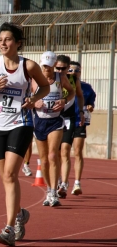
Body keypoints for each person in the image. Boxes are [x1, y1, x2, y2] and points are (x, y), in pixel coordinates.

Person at [0, 22, 50, 247]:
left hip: (21, 123)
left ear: (17, 43)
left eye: (7, 39)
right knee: (7, 179)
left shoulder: (29, 66)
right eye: (0, 39)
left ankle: (8, 229)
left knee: (9, 175)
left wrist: (33, 99)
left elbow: (44, 87)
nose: (2, 43)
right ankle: (20, 214)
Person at [31, 51, 75, 207]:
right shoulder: (34, 79)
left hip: (55, 121)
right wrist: (33, 102)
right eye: (44, 66)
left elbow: (72, 92)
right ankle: (49, 191)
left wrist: (63, 100)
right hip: (39, 121)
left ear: (54, 65)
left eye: (49, 66)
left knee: (51, 155)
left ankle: (54, 192)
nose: (46, 69)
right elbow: (26, 98)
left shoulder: (60, 78)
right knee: (43, 159)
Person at [55, 56, 85, 199]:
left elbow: (79, 95)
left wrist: (80, 111)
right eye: (58, 68)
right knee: (54, 154)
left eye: (64, 68)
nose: (60, 71)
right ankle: (57, 180)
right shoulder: (49, 79)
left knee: (65, 150)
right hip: (52, 120)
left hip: (68, 119)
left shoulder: (73, 81)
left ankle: (64, 185)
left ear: (68, 68)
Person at [70, 62, 96, 195]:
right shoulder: (60, 85)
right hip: (63, 122)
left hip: (79, 122)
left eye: (77, 70)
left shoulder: (87, 87)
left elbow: (91, 103)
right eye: (71, 70)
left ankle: (77, 183)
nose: (74, 72)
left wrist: (90, 106)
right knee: (61, 153)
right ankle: (61, 181)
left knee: (78, 151)